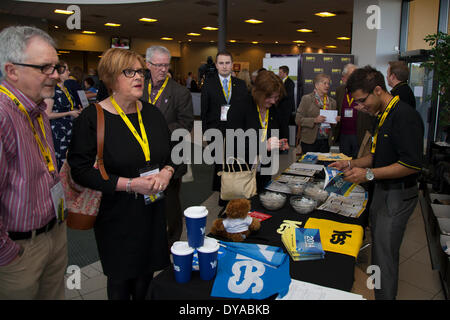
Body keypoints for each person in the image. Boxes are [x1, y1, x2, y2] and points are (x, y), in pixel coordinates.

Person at [67, 48, 175, 300]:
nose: (139, 77)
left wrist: (167, 172)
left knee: (146, 279)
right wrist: (129, 184)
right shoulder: (93, 118)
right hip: (117, 215)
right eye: (130, 72)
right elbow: (80, 170)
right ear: (111, 77)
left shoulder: (152, 113)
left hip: (152, 211)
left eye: (140, 71)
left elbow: (171, 155)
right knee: (121, 281)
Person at [329, 66, 424, 300]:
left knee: (384, 257)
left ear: (379, 90)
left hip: (398, 195)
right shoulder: (381, 116)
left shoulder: (404, 115)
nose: (360, 107)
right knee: (379, 253)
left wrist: (368, 175)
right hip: (382, 191)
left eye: (362, 101)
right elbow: (375, 156)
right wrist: (351, 164)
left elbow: (411, 164)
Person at [0, 25, 68, 300]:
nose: (55, 76)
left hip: (53, 232)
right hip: (20, 249)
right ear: (12, 70)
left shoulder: (36, 109)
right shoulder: (4, 117)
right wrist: (8, 253)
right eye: (45, 68)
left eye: (56, 66)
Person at [142, 45, 194, 248]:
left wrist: (157, 130)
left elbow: (186, 125)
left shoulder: (180, 92)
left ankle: (172, 242)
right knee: (149, 200)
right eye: (158, 65)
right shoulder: (139, 88)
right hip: (144, 158)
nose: (163, 69)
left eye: (166, 65)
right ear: (148, 65)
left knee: (170, 204)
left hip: (171, 157)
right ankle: (151, 239)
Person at [201, 50, 251, 207]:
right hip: (216, 132)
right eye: (221, 63)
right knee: (220, 166)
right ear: (216, 65)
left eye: (227, 63)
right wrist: (207, 136)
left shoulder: (241, 85)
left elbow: (245, 112)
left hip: (237, 133)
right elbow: (204, 112)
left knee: (236, 164)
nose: (224, 66)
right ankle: (223, 199)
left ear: (232, 64)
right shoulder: (208, 85)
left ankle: (236, 196)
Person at [227, 70, 289, 191]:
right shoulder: (240, 107)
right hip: (241, 172)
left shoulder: (273, 110)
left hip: (264, 171)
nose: (273, 101)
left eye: (276, 97)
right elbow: (233, 144)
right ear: (258, 93)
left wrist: (278, 143)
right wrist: (264, 146)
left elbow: (272, 133)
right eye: (269, 97)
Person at [44, 60, 82, 170]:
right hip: (58, 131)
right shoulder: (52, 90)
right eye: (66, 70)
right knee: (59, 160)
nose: (69, 72)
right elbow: (47, 114)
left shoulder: (65, 88)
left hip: (68, 129)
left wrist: (76, 110)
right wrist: (69, 113)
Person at [334, 64, 375, 159]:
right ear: (344, 78)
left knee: (359, 161)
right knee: (344, 162)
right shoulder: (340, 90)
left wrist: (366, 109)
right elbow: (337, 108)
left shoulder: (366, 90)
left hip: (360, 133)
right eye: (352, 76)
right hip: (343, 134)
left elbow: (374, 112)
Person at [295, 73, 339, 153]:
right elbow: (298, 119)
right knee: (309, 165)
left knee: (323, 164)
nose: (327, 86)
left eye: (328, 83)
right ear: (316, 85)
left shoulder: (332, 102)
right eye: (324, 83)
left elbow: (333, 126)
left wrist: (335, 120)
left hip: (326, 142)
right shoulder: (307, 99)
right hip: (309, 141)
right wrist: (315, 120)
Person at [277, 65, 296, 153]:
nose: (278, 74)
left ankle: (285, 148)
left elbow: (287, 95)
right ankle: (279, 146)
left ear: (285, 73)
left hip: (286, 110)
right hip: (279, 110)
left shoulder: (290, 82)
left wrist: (277, 97)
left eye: (280, 72)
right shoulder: (279, 82)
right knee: (279, 128)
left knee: (284, 129)